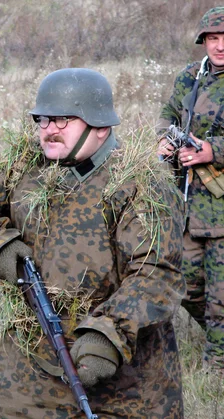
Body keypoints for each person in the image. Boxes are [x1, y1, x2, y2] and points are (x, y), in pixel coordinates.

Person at [0, 68, 186, 418]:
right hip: (31, 372)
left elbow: (156, 275)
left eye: (63, 119)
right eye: (42, 119)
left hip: (122, 379)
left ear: (100, 127)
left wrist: (109, 334)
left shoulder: (141, 186)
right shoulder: (24, 166)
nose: (49, 130)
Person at [158, 6, 224, 372]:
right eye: (212, 38)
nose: (219, 46)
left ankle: (216, 375)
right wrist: (163, 141)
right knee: (186, 286)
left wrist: (213, 151)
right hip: (190, 205)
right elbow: (168, 114)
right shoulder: (190, 77)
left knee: (221, 299)